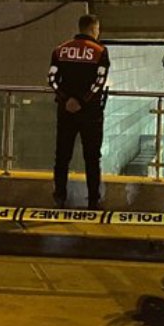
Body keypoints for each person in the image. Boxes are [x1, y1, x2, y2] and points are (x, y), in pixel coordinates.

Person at [48, 14, 110, 210]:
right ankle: (93, 200)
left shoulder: (60, 50)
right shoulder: (100, 51)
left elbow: (52, 79)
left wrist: (67, 99)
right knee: (92, 158)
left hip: (66, 111)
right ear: (93, 29)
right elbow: (99, 82)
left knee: (62, 156)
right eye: (97, 29)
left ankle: (59, 196)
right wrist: (82, 100)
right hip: (91, 113)